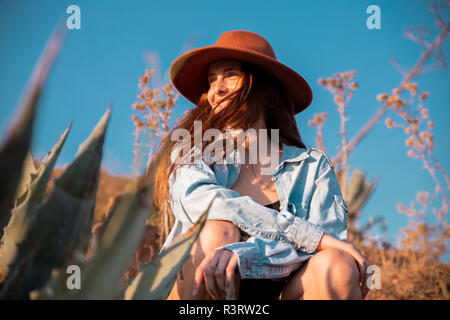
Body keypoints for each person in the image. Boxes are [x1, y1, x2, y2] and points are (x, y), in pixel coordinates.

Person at [152, 30, 370, 300]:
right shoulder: (193, 149)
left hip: (282, 291)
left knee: (337, 265)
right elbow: (203, 203)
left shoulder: (311, 166)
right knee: (216, 230)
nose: (215, 89)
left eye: (231, 75)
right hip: (196, 291)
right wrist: (305, 234)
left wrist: (244, 254)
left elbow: (328, 246)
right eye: (211, 80)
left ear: (262, 85)